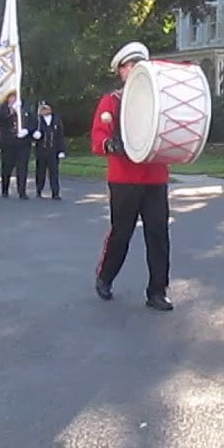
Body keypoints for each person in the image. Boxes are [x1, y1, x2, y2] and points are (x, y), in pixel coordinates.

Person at [91, 41, 174, 311]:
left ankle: (157, 291)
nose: (134, 70)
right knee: (121, 232)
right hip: (124, 177)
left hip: (155, 177)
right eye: (129, 66)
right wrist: (110, 144)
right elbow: (98, 136)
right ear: (121, 72)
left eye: (139, 64)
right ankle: (105, 276)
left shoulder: (160, 101)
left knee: (158, 235)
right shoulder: (112, 101)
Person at [0, 89, 35, 199]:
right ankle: (5, 189)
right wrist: (11, 111)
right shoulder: (3, 109)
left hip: (23, 143)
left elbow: (33, 123)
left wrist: (27, 131)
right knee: (7, 167)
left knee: (22, 167)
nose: (13, 99)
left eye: (15, 97)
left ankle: (22, 191)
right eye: (11, 97)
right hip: (8, 143)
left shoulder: (26, 109)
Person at [33, 101, 66, 199]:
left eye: (46, 108)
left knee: (54, 173)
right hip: (41, 151)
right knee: (40, 172)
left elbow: (60, 136)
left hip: (53, 151)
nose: (44, 111)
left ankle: (55, 193)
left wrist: (61, 150)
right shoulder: (38, 121)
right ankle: (39, 190)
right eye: (42, 109)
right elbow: (32, 134)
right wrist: (35, 136)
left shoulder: (56, 120)